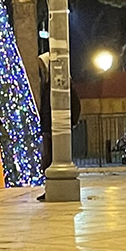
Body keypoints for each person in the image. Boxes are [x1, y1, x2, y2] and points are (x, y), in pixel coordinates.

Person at [36, 51, 80, 202]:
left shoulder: (61, 84)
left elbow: (74, 103)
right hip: (49, 128)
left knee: (51, 158)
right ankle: (48, 189)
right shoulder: (48, 83)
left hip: (55, 128)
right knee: (47, 160)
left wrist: (71, 121)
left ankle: (51, 190)